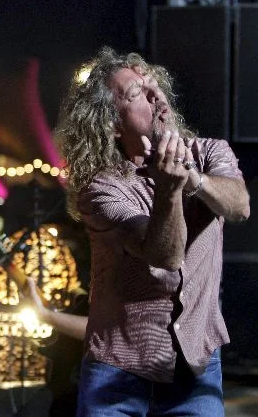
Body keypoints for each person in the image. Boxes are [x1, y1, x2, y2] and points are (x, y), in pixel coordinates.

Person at [52, 47, 250, 415]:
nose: (155, 96)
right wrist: (169, 190)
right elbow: (165, 257)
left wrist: (192, 180)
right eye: (136, 93)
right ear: (112, 124)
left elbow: (239, 207)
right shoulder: (101, 188)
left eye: (154, 86)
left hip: (196, 369)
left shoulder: (209, 153)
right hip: (118, 374)